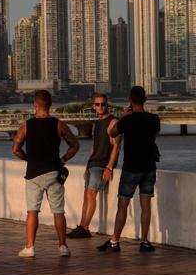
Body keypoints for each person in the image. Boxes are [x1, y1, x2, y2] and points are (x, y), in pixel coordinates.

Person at [11, 89, 80, 257]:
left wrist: (28, 158)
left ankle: (30, 247)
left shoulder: (26, 126)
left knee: (32, 211)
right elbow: (75, 145)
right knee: (58, 211)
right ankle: (63, 246)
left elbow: (15, 149)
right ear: (50, 105)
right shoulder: (58, 124)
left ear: (35, 104)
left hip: (33, 174)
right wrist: (63, 160)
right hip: (54, 172)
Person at [99, 86, 161, 254]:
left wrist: (122, 117)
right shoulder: (154, 119)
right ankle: (145, 242)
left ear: (130, 100)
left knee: (123, 205)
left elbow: (112, 133)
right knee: (146, 205)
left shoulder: (127, 120)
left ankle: (114, 242)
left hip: (131, 168)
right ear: (145, 99)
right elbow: (153, 136)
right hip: (149, 167)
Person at [68, 93, 119, 239]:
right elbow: (94, 146)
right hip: (93, 164)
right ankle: (82, 226)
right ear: (93, 106)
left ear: (107, 105)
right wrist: (86, 166)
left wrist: (109, 167)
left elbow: (116, 146)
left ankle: (85, 227)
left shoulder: (113, 122)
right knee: (87, 195)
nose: (100, 107)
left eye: (103, 104)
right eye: (97, 104)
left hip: (102, 165)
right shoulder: (97, 123)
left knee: (91, 194)